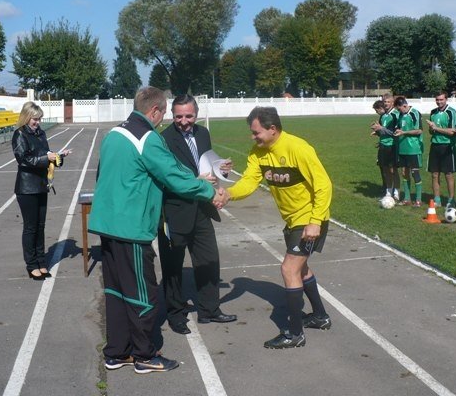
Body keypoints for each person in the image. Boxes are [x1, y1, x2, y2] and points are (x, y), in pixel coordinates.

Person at [88, 87, 222, 374]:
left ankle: (117, 352)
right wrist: (209, 190)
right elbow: (172, 176)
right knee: (143, 293)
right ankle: (144, 354)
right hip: (130, 227)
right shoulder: (147, 138)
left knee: (116, 291)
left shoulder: (114, 134)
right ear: (156, 111)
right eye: (163, 114)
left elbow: (103, 175)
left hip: (106, 224)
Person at [218, 107, 333, 349]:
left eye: (256, 132)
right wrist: (229, 194)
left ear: (272, 129)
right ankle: (320, 316)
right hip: (292, 220)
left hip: (309, 218)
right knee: (301, 270)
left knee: (289, 269)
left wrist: (315, 221)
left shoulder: (298, 148)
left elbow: (323, 185)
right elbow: (249, 182)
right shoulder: (258, 153)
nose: (253, 137)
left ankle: (295, 334)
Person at [157, 95, 236, 335]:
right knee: (173, 267)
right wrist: (195, 180)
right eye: (178, 116)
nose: (184, 121)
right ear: (172, 115)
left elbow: (205, 164)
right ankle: (176, 314)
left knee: (209, 260)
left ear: (197, 114)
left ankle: (209, 309)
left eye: (189, 116)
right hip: (174, 210)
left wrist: (220, 169)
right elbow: (165, 176)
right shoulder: (163, 140)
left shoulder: (203, 134)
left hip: (201, 208)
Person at [12, 101, 71, 281]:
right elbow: (24, 159)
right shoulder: (19, 134)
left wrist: (58, 156)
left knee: (40, 226)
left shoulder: (40, 133)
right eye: (35, 119)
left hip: (41, 185)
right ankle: (31, 265)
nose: (37, 122)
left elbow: (45, 154)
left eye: (39, 119)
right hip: (27, 188)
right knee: (31, 227)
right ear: (27, 117)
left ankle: (41, 261)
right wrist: (47, 157)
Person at [426, 91, 456, 208]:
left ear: (446, 99)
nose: (439, 102)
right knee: (434, 174)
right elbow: (431, 131)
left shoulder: (451, 112)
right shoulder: (433, 112)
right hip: (435, 145)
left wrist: (436, 128)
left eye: (441, 99)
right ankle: (437, 200)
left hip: (447, 146)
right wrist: (431, 129)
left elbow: (453, 132)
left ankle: (451, 199)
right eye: (437, 100)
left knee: (448, 174)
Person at [394, 96, 424, 207]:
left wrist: (404, 133)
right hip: (402, 148)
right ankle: (407, 199)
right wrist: (398, 131)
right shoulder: (400, 115)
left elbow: (419, 130)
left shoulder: (415, 113)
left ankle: (418, 199)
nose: (399, 111)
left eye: (399, 109)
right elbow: (399, 128)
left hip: (413, 148)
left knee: (415, 173)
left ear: (405, 105)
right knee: (404, 173)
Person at [371, 99, 399, 199]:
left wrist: (381, 129)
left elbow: (395, 132)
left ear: (392, 103)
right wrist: (377, 132)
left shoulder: (395, 115)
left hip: (392, 146)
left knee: (393, 170)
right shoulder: (383, 116)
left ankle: (396, 193)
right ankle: (388, 192)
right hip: (383, 145)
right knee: (385, 169)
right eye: (385, 102)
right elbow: (383, 131)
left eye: (388, 102)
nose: (386, 104)